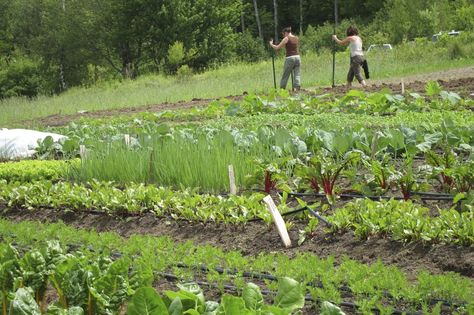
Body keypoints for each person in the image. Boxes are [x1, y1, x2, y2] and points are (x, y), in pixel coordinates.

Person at [269, 27, 301, 91]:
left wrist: (271, 44)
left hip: (290, 58)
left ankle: (282, 89)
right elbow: (288, 46)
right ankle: (297, 88)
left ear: (286, 33)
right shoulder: (296, 38)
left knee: (285, 75)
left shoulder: (286, 38)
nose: (283, 35)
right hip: (297, 57)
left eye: (283, 34)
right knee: (297, 74)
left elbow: (277, 48)